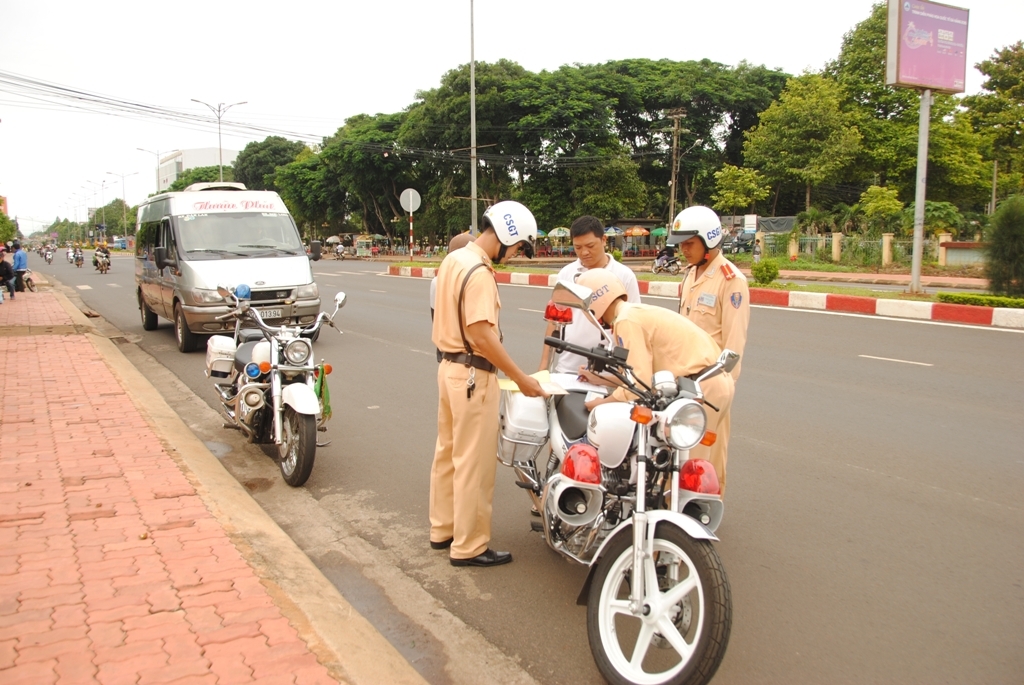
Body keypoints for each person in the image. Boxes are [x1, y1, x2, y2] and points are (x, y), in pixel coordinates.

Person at [430, 200, 547, 568]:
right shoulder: (479, 272)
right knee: (474, 464)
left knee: (447, 455)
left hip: (449, 368)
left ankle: (443, 529)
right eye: (518, 248)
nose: (515, 256)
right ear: (509, 235)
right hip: (472, 376)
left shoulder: (455, 259)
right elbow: (481, 334)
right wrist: (521, 378)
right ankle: (469, 546)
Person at [573, 268, 734, 482]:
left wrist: (602, 403)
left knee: (688, 469)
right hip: (716, 382)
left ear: (595, 305)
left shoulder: (625, 320)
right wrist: (599, 379)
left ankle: (682, 514)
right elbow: (640, 377)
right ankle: (704, 512)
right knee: (712, 461)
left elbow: (636, 381)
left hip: (699, 388)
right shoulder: (634, 312)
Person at [675, 206, 750, 495]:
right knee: (684, 448)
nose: (684, 250)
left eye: (689, 244)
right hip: (685, 378)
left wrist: (722, 388)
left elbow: (734, 345)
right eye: (681, 244)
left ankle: (707, 504)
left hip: (712, 382)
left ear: (709, 241)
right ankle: (681, 503)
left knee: (710, 450)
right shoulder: (689, 275)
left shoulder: (731, 281)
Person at [538, 215, 640, 374]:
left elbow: (633, 326)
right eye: (578, 247)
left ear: (604, 240)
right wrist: (543, 368)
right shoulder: (567, 274)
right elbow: (554, 322)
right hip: (569, 368)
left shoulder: (624, 276)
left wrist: (625, 372)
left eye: (590, 245)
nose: (584, 252)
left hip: (608, 371)